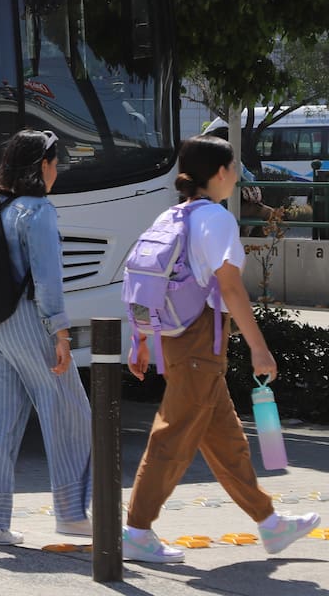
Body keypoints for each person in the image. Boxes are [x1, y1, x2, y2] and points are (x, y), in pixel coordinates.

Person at [123, 134, 321, 563]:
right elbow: (230, 288)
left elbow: (143, 280)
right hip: (198, 339)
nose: (237, 177)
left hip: (175, 338)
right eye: (235, 169)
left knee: (226, 439)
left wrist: (141, 339)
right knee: (172, 435)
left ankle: (270, 524)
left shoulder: (172, 216)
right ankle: (137, 530)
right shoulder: (215, 219)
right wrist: (259, 348)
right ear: (221, 172)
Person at [0, 129, 93, 546]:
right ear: (42, 166)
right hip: (28, 321)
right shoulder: (38, 211)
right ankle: (73, 514)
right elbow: (47, 279)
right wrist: (60, 331)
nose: (58, 171)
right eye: (56, 162)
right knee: (69, 413)